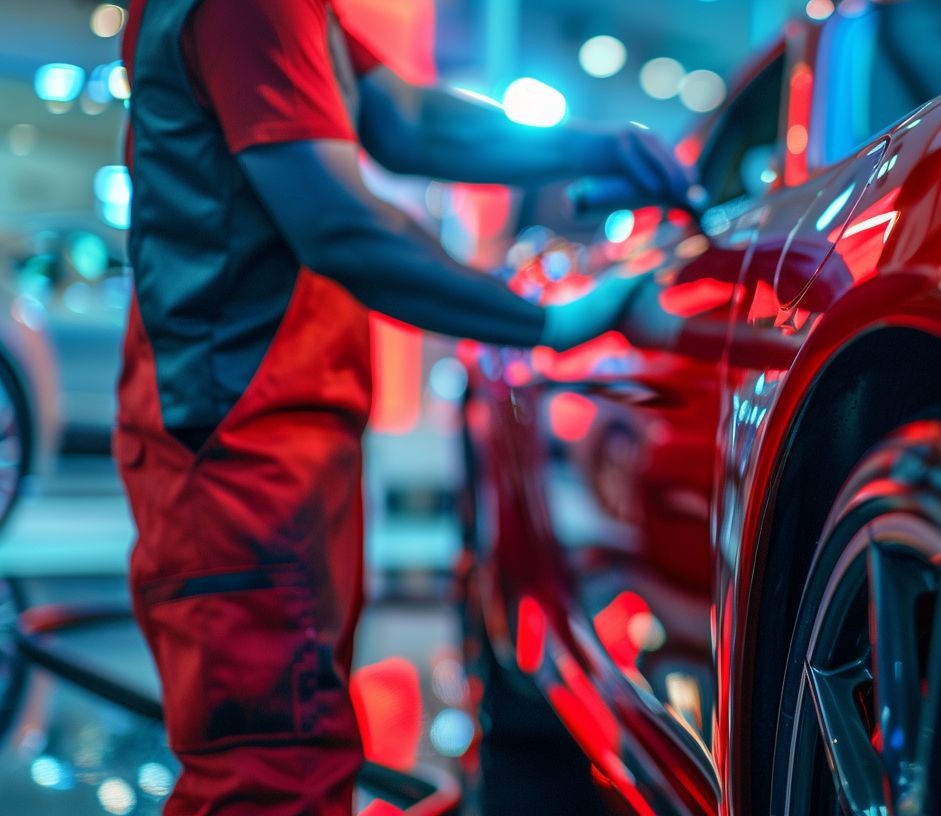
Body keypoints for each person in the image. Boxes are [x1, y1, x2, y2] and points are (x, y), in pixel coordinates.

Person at [116, 1, 691, 813]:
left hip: (275, 437)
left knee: (297, 753)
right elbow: (341, 225)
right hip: (236, 451)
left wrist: (585, 146)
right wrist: (547, 323)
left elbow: (402, 118)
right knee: (270, 776)